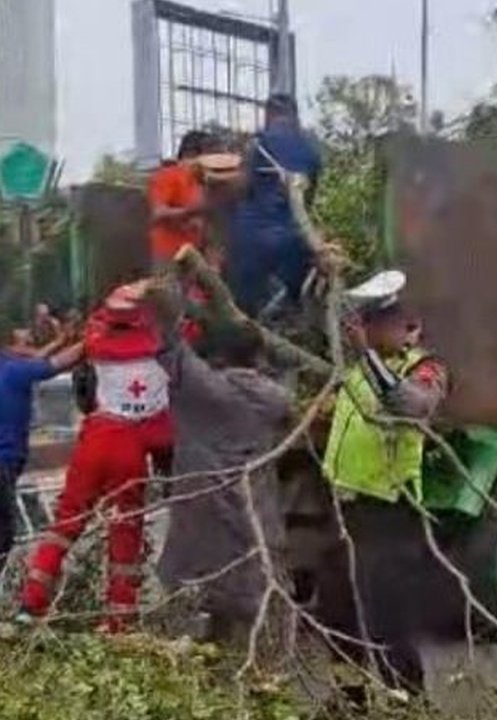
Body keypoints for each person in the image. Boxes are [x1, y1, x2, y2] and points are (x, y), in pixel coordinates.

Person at [316, 270, 450, 694]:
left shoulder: (427, 368)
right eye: (366, 327)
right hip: (344, 508)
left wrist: (368, 356)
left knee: (387, 623)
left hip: (390, 513)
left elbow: (411, 405)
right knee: (339, 616)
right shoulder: (359, 368)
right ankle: (349, 701)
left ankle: (409, 701)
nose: (369, 335)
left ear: (403, 326)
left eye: (379, 326)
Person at [141, 277, 292, 643]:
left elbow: (171, 350)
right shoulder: (277, 399)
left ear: (217, 357)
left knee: (202, 630)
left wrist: (161, 303)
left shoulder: (206, 391)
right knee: (253, 631)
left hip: (203, 530)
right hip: (255, 531)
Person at [19, 282, 174, 631]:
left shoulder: (95, 339)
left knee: (66, 521)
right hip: (131, 446)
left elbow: (64, 360)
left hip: (96, 438)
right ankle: (120, 617)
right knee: (126, 527)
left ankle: (31, 603)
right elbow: (164, 436)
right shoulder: (162, 347)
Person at [0, 323, 83, 616]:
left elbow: (38, 359)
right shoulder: (17, 371)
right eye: (26, 340)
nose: (31, 343)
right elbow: (57, 364)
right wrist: (99, 335)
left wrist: (59, 340)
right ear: (12, 346)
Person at [225, 93, 323, 318]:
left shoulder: (259, 144)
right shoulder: (311, 151)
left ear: (269, 114)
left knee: (244, 311)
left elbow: (242, 187)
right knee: (291, 308)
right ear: (295, 115)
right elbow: (307, 200)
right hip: (294, 240)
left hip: (254, 238)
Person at [149, 130, 213, 271]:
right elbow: (158, 213)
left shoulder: (200, 182)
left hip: (194, 256)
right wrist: (189, 212)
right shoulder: (168, 175)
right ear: (192, 154)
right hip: (170, 255)